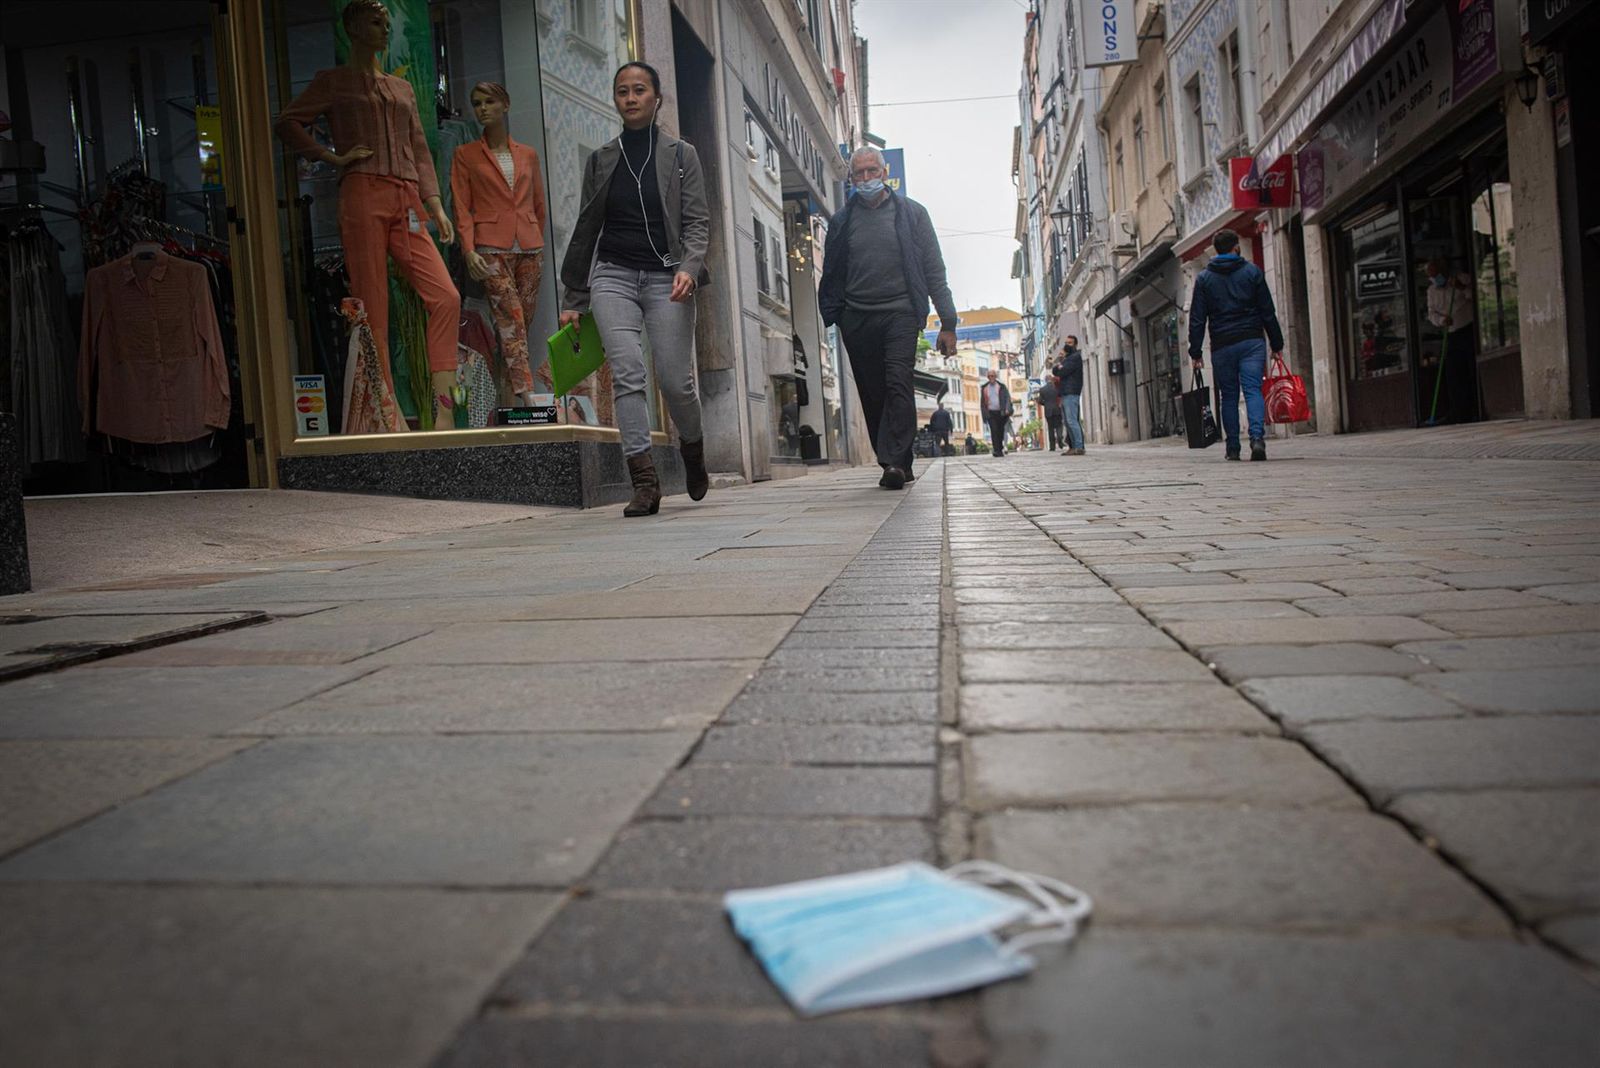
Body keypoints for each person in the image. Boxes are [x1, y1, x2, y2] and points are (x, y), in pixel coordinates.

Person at [276, 0, 461, 430]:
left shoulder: (402, 89)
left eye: (385, 22)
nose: (383, 30)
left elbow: (419, 148)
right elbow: (287, 123)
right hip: (362, 194)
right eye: (376, 23)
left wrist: (435, 204)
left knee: (446, 296)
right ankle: (385, 413)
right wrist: (332, 157)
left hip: (407, 199)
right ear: (354, 29)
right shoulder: (334, 82)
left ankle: (444, 412)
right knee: (372, 306)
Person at [559, 61, 711, 517]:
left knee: (674, 380)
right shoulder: (602, 159)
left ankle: (693, 447)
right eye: (622, 91)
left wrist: (689, 266)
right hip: (613, 275)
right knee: (627, 373)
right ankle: (644, 482)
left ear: (656, 97)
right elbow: (587, 227)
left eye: (639, 89)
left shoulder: (682, 156)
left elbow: (698, 223)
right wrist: (574, 298)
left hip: (668, 279)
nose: (630, 97)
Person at [818, 146, 957, 490]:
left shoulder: (912, 215)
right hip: (858, 318)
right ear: (851, 179)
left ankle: (893, 462)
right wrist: (836, 314)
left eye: (871, 171)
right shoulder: (841, 222)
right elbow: (832, 270)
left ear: (884, 172)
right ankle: (899, 459)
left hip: (901, 313)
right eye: (859, 174)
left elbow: (934, 270)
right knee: (873, 390)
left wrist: (948, 323)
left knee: (898, 381)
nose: (866, 179)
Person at [1188, 229, 1284, 461]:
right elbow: (1267, 311)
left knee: (1228, 395)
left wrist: (1196, 351)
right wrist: (1276, 343)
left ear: (1216, 250)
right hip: (1252, 340)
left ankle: (1232, 446)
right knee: (1253, 390)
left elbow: (1198, 317)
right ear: (1236, 247)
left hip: (1222, 344)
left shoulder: (1204, 279)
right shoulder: (1252, 272)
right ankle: (1257, 439)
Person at [1424, 259, 1479, 424]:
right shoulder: (1431, 291)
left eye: (1436, 274)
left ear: (1443, 270)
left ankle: (1477, 409)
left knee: (1472, 370)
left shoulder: (1461, 279)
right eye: (1431, 277)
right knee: (1454, 374)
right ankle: (1459, 412)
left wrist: (1461, 288)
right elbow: (1432, 314)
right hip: (1451, 334)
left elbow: (1478, 295)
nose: (1435, 279)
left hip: (1468, 330)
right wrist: (1442, 321)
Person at [1052, 336, 1085, 455]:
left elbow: (1063, 372)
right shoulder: (1067, 358)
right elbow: (1055, 371)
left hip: (1071, 391)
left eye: (1070, 343)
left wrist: (1061, 367)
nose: (1067, 345)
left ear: (1075, 344)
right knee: (1067, 421)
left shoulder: (1075, 357)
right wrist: (1060, 363)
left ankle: (1079, 446)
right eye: (1066, 343)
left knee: (1072, 421)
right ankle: (1072, 446)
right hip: (1065, 392)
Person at [979, 367, 1013, 457]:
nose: (991, 378)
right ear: (987, 377)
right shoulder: (984, 388)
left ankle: (1000, 447)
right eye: (989, 376)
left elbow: (1007, 398)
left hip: (1001, 412)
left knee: (1000, 431)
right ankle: (997, 450)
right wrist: (984, 414)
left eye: (993, 376)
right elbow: (982, 403)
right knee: (994, 431)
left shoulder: (1001, 386)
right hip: (991, 412)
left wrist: (1007, 408)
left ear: (996, 376)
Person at [1038, 374, 1063, 451]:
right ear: (1051, 379)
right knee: (1059, 425)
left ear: (1045, 380)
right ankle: (1059, 438)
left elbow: (1039, 401)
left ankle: (1052, 446)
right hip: (1057, 409)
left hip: (1048, 411)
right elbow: (1060, 396)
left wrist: (1046, 404)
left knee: (1050, 428)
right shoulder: (1057, 388)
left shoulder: (1042, 389)